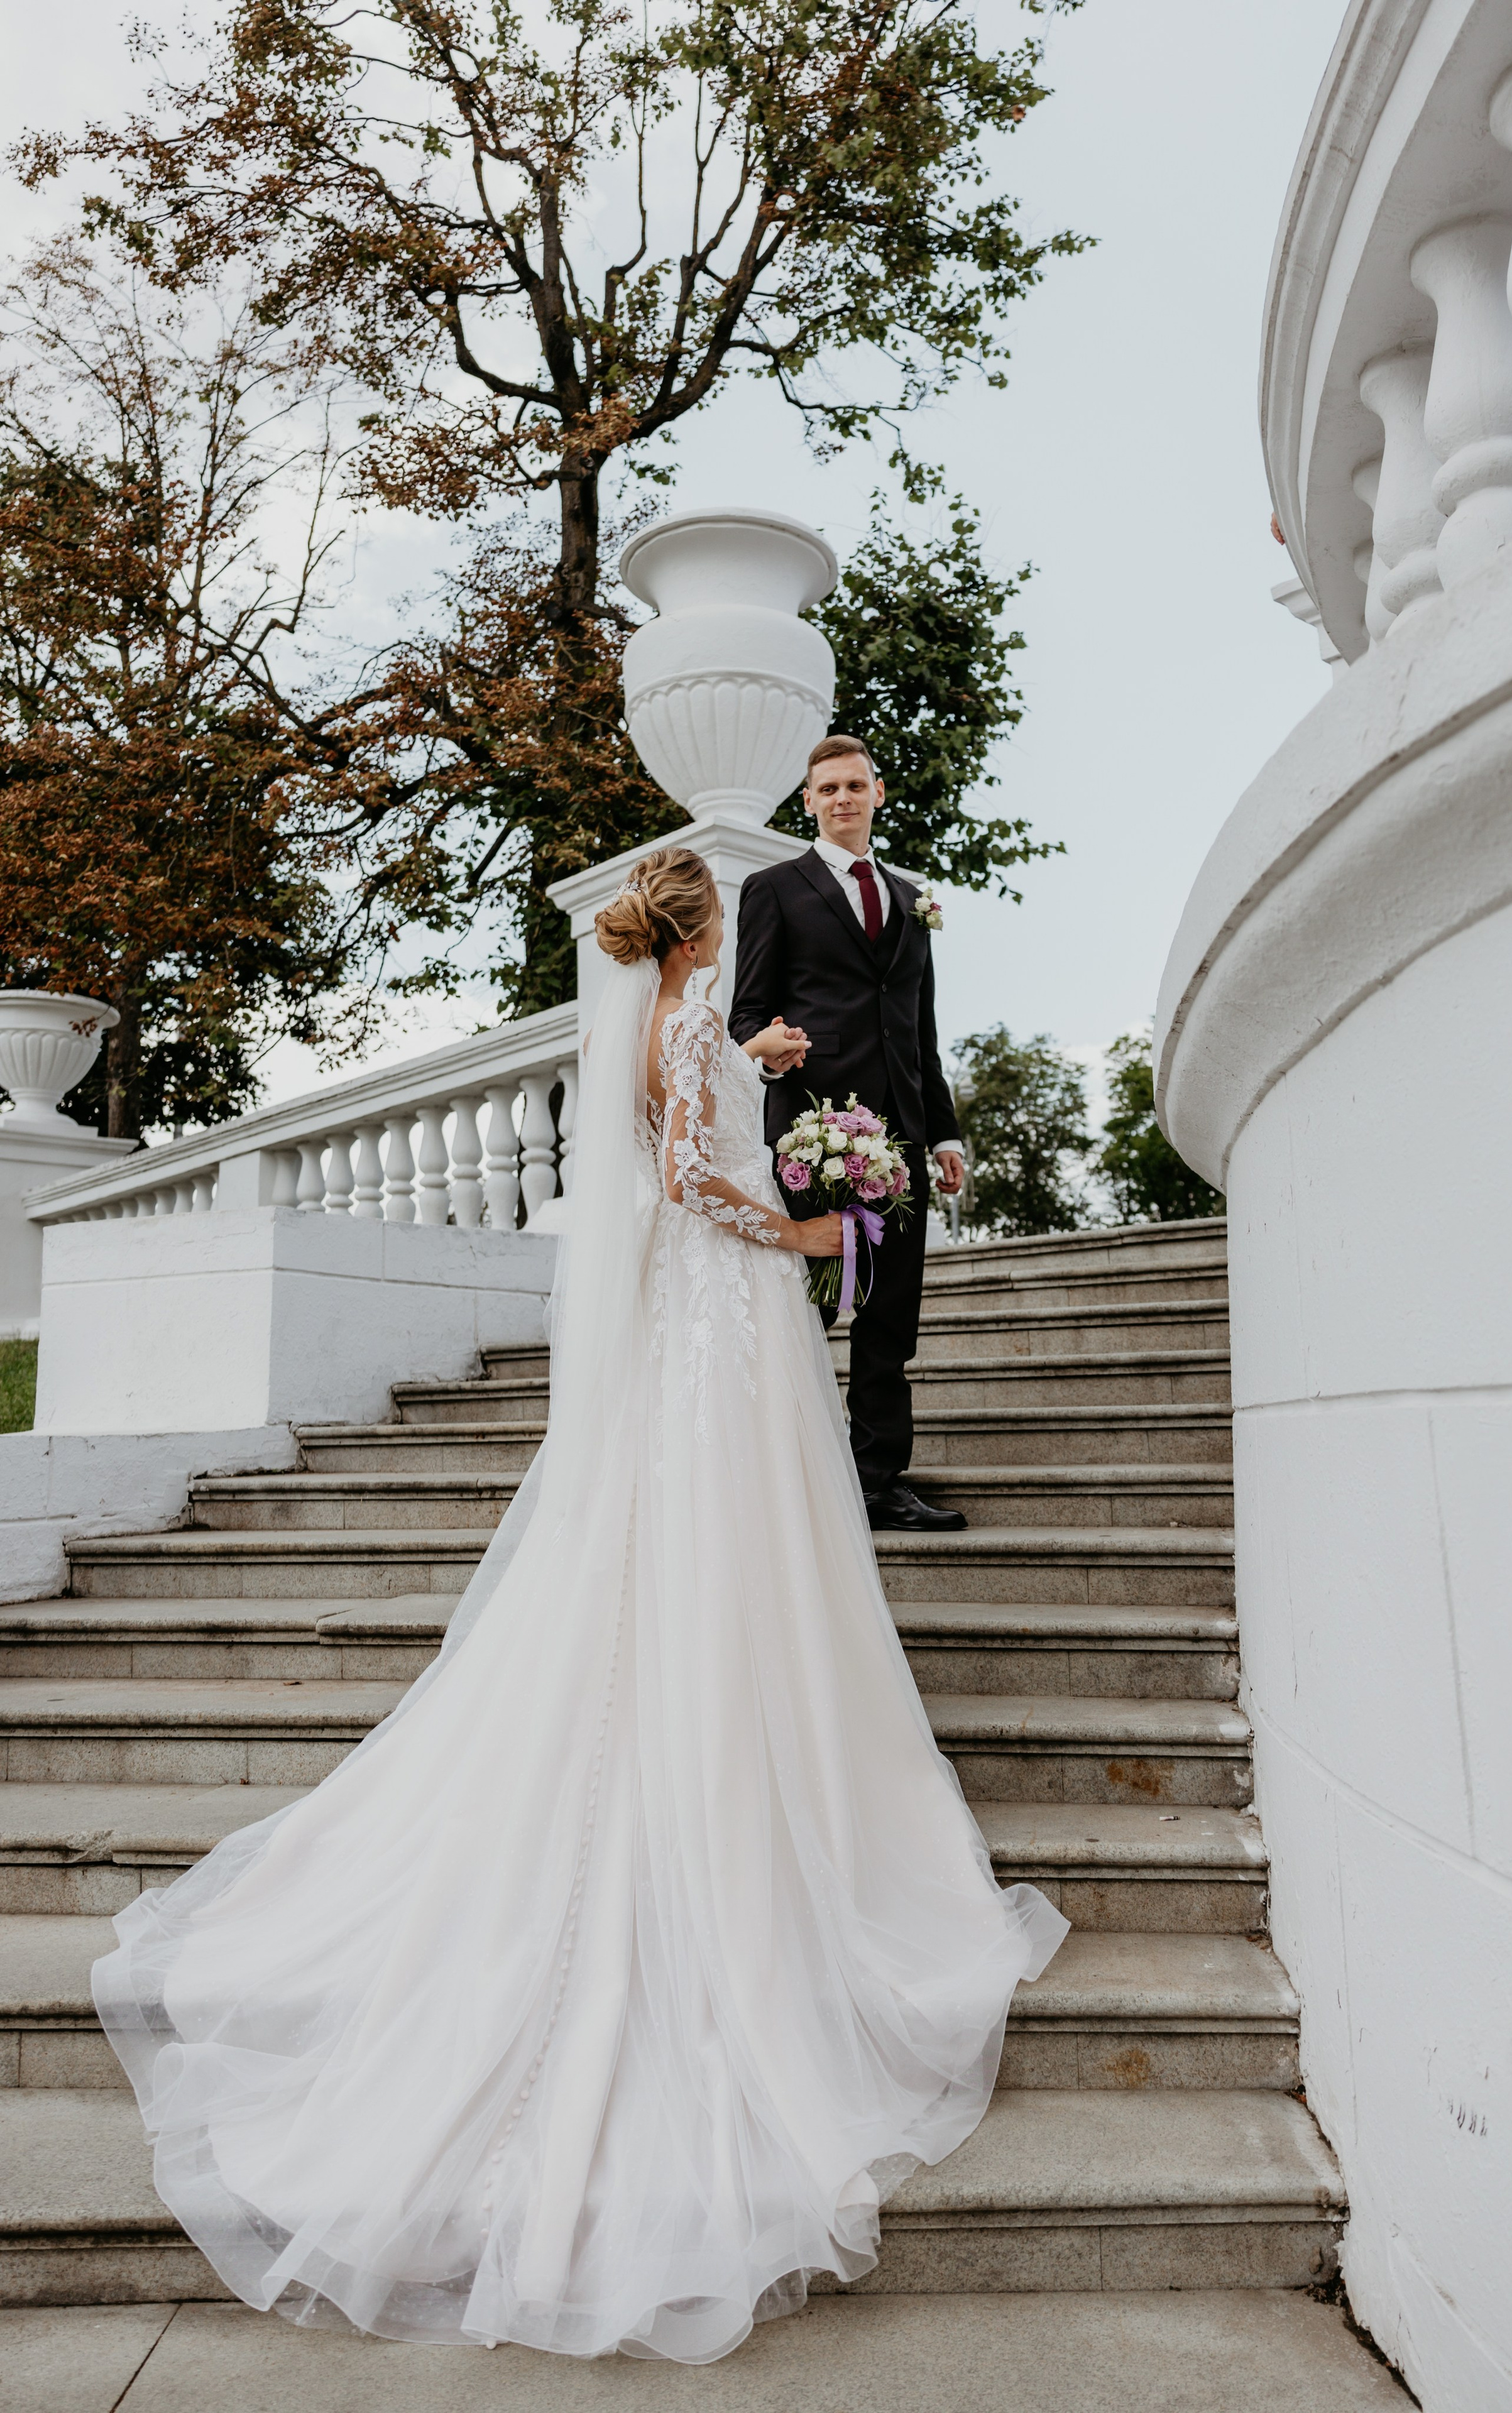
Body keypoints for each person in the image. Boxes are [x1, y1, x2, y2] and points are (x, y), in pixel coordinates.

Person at [93, 847, 1066, 2366]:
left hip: (692, 1318)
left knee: (708, 1537)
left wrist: (757, 1070)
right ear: (701, 931)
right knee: (742, 1539)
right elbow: (689, 1176)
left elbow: (673, 1116)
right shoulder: (683, 1025)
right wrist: (811, 1230)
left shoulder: (671, 1021)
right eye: (729, 922)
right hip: (725, 1297)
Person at [731, 733, 968, 1531]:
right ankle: (784, 1478)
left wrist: (944, 1134)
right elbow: (746, 1013)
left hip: (898, 1138)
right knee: (803, 1306)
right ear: (807, 800)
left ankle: (875, 1485)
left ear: (876, 793)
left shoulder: (911, 899)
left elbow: (919, 1030)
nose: (841, 799)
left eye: (854, 786)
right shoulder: (774, 889)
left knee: (890, 1317)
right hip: (812, 1133)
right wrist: (773, 1060)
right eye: (826, 788)